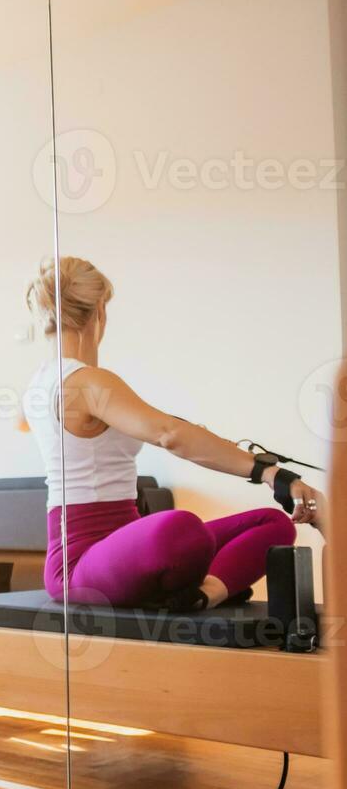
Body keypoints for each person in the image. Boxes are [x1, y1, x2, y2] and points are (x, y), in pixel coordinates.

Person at [21, 256, 321, 609]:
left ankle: (201, 596)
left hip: (126, 543)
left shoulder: (44, 382)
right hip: (80, 564)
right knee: (182, 531)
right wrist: (268, 472)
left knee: (271, 524)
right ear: (99, 311)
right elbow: (168, 434)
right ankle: (188, 584)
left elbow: (169, 429)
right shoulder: (87, 381)